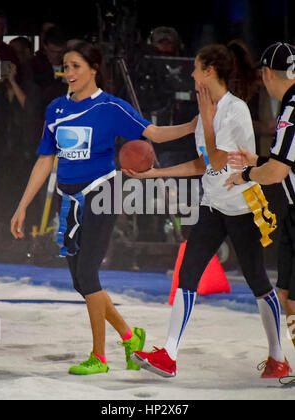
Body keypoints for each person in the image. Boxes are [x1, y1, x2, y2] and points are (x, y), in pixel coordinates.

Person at [10, 40, 197, 375]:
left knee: (87, 274)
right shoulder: (56, 109)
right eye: (65, 66)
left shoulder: (111, 108)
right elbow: (44, 160)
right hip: (67, 201)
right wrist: (22, 205)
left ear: (94, 69)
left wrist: (193, 126)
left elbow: (152, 132)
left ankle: (99, 357)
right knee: (82, 284)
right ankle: (130, 336)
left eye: (76, 66)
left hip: (102, 195)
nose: (68, 72)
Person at [123, 41, 292, 379]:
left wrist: (210, 120)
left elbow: (219, 159)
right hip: (213, 205)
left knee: (258, 281)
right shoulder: (207, 111)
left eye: (196, 67)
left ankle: (278, 357)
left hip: (243, 208)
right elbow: (203, 164)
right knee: (187, 274)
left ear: (210, 71)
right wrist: (154, 173)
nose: (191, 73)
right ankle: (168, 354)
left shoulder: (234, 109)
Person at [224, 42, 295, 354]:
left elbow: (278, 172)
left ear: (267, 74)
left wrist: (246, 175)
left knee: (290, 297)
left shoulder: (292, 109)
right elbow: (285, 162)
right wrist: (257, 160)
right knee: (286, 295)